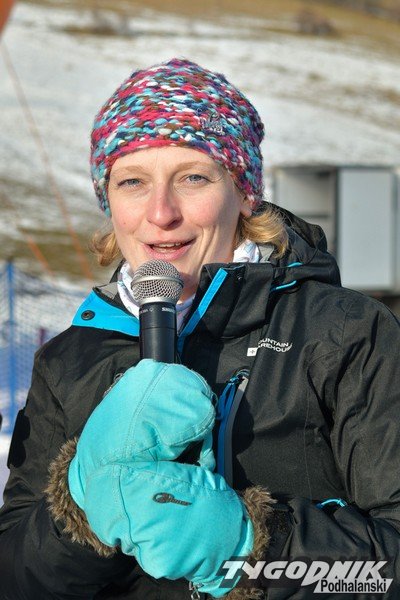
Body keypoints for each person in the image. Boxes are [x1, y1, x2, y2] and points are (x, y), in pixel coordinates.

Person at [0, 57, 399, 600]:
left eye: (193, 177)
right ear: (108, 200)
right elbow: (15, 577)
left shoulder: (345, 333)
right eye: (132, 181)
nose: (161, 213)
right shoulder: (68, 359)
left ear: (245, 192)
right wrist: (78, 508)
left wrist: (250, 548)